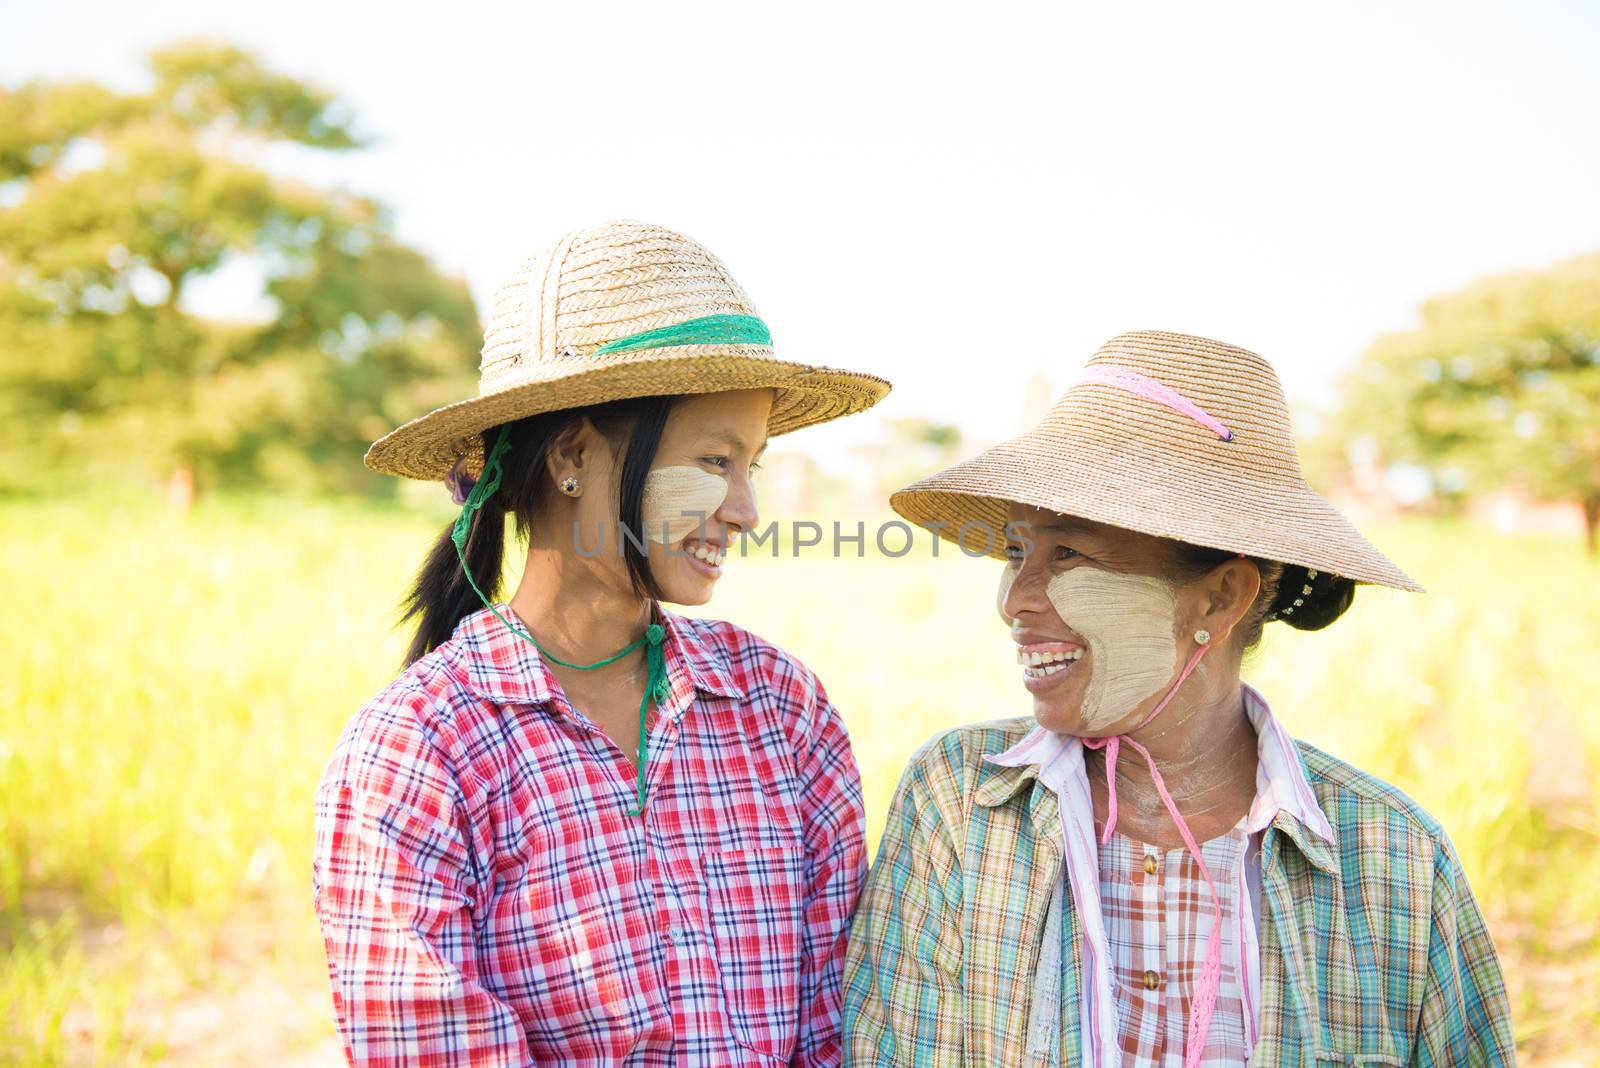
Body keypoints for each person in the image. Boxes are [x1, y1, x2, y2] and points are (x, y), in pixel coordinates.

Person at [843, 331, 1515, 1066]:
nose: (1016, 600)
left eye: (1068, 552)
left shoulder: (1395, 862)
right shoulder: (960, 804)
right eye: (1015, 551)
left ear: (1221, 598)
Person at [313, 220, 890, 1066]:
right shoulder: (417, 752)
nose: (746, 511)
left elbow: (833, 1029)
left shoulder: (780, 709)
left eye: (751, 467)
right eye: (712, 461)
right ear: (574, 456)